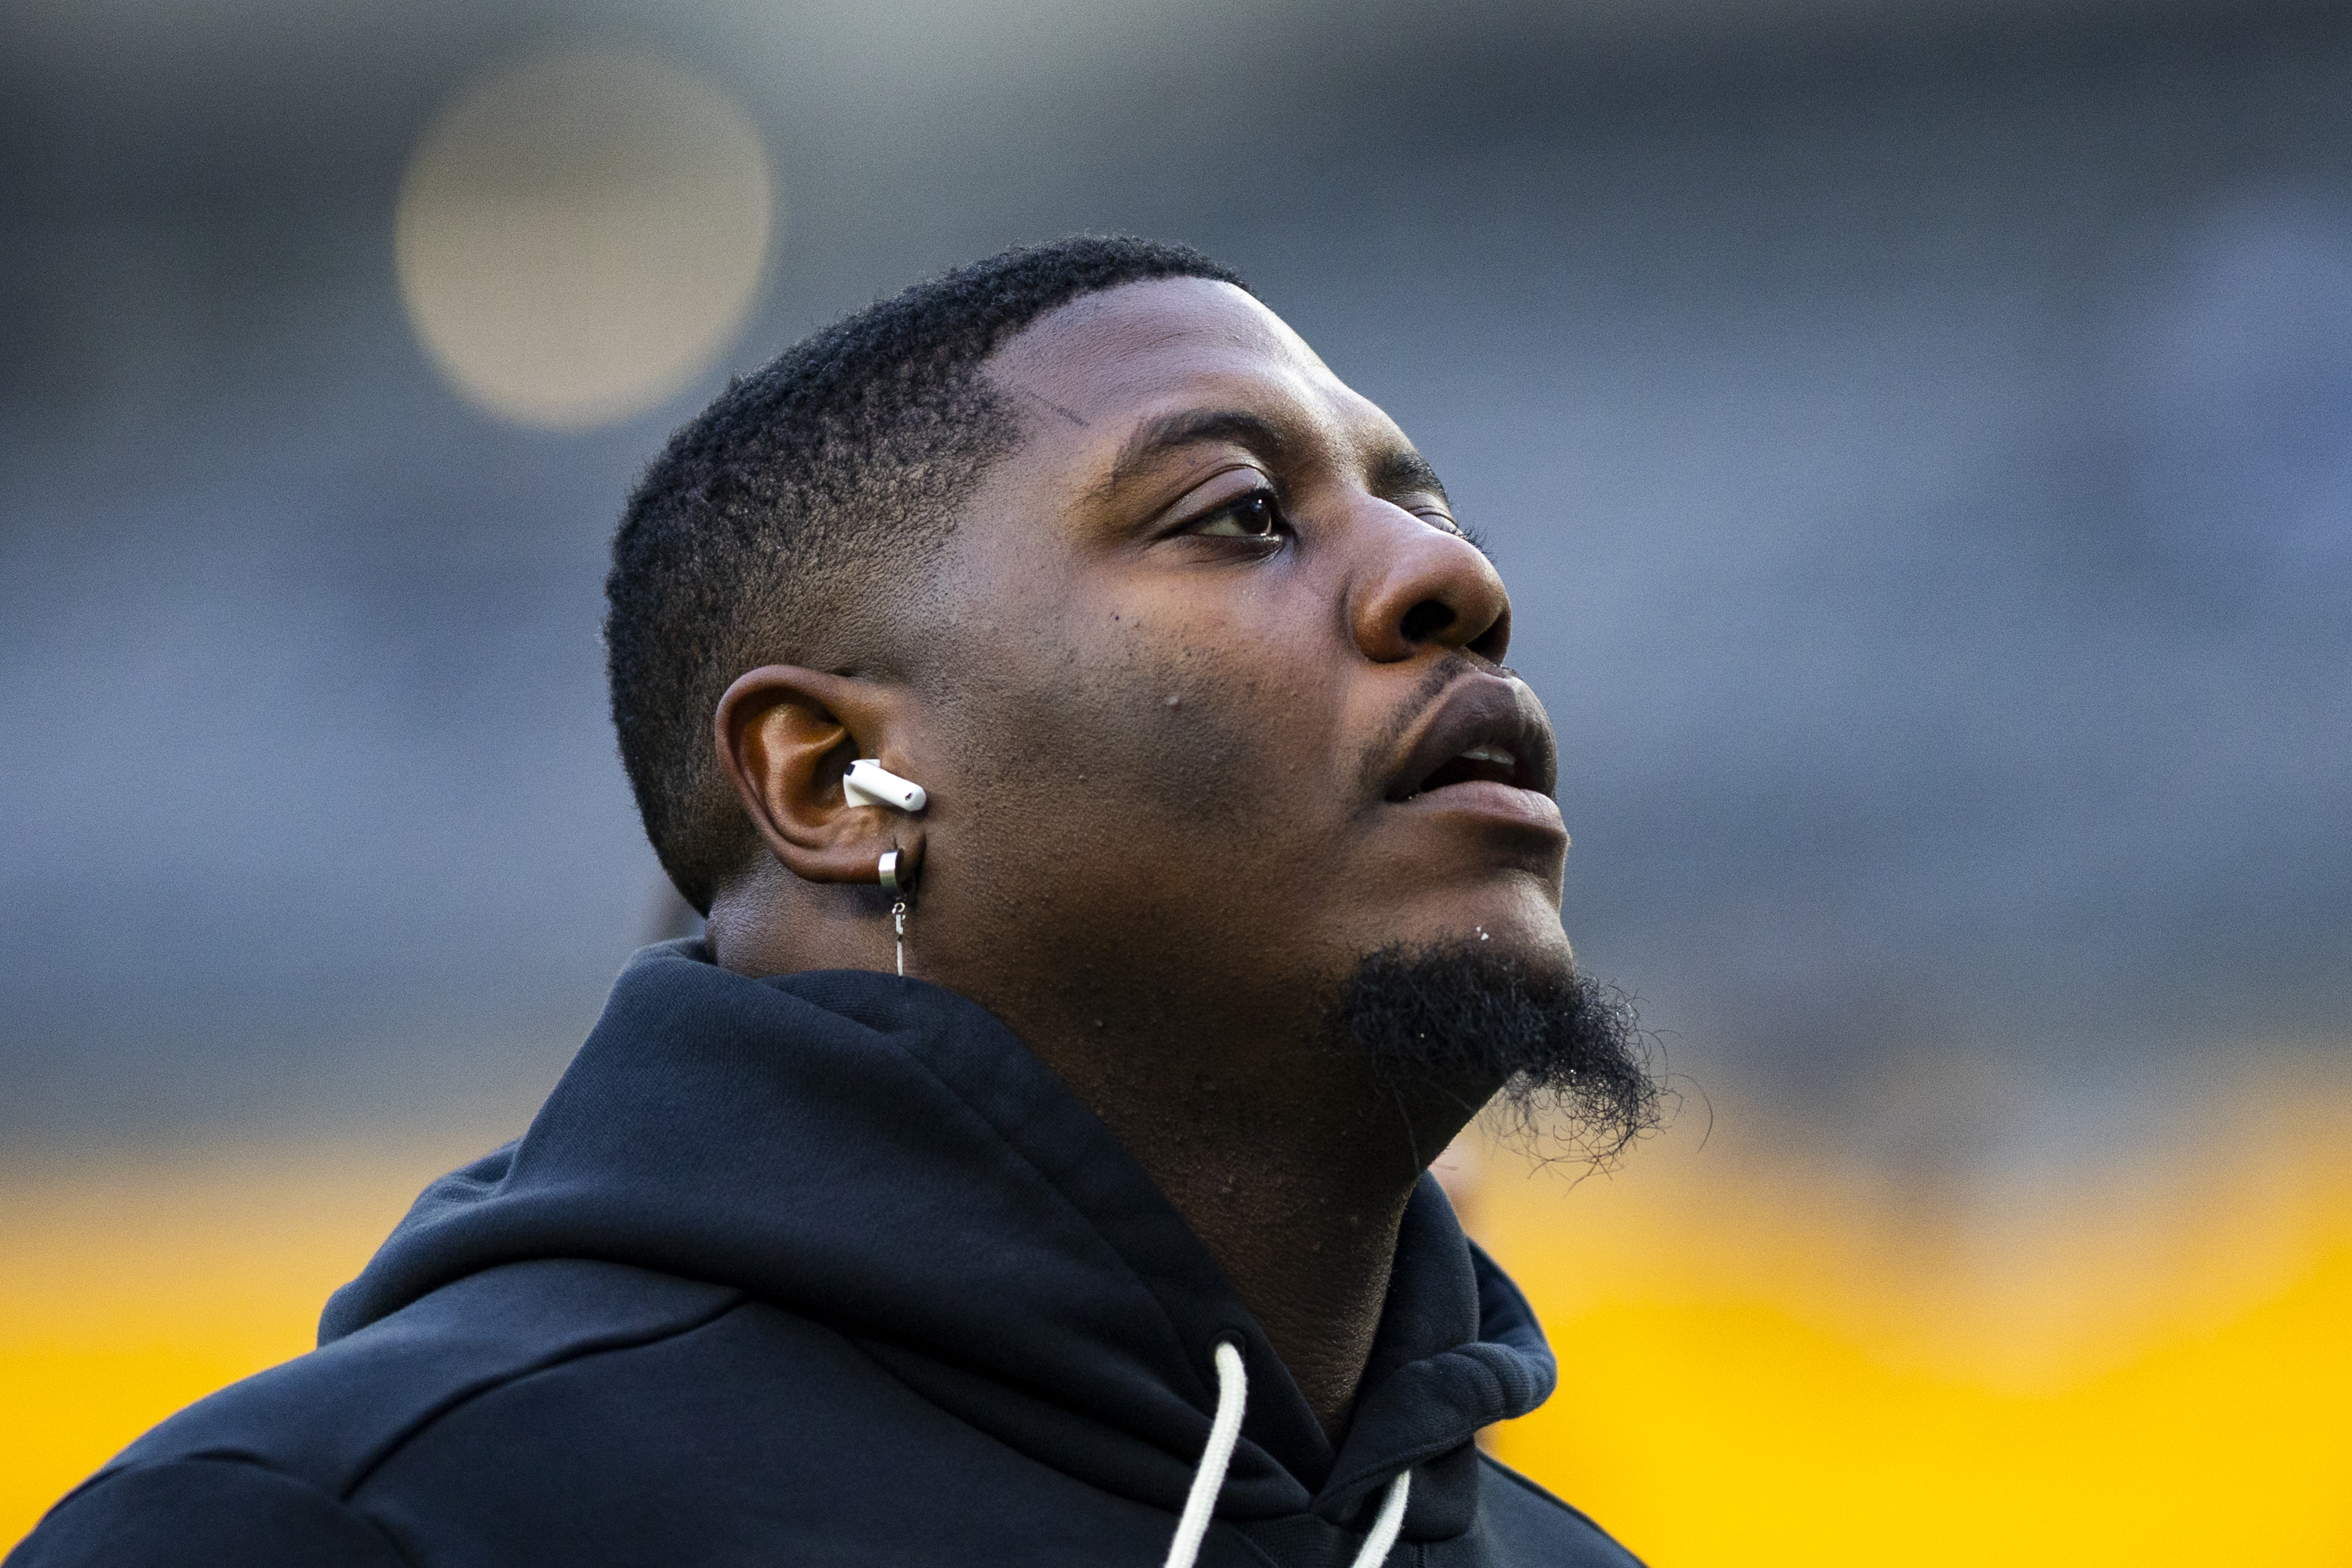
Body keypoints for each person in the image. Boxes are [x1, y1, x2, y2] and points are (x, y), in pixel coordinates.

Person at [11, 236, 1659, 1568]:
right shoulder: (339, 1524)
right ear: (826, 781)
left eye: (1429, 513)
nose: (1458, 586)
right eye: (1236, 515)